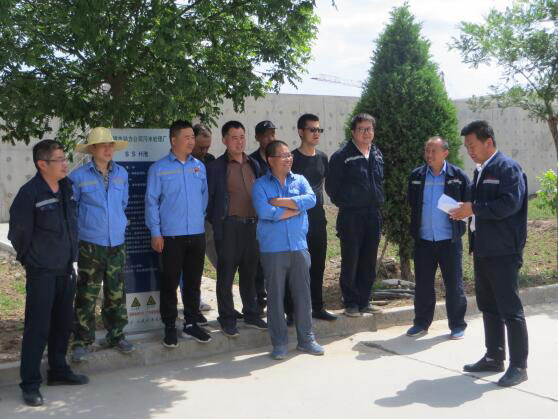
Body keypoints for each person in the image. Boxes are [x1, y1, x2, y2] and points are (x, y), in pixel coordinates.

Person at [8, 140, 89, 407]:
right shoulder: (29, 193)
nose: (66, 164)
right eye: (59, 159)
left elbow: (71, 225)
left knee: (62, 324)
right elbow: (18, 233)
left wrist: (72, 258)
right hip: (42, 271)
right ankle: (30, 384)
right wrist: (31, 260)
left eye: (65, 158)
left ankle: (58, 370)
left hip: (66, 268)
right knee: (37, 328)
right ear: (42, 164)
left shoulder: (67, 188)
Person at [450, 120, 529, 387]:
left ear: (489, 142)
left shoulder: (507, 168)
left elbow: (510, 204)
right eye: (467, 147)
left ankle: (519, 366)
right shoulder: (481, 170)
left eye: (472, 145)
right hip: (483, 249)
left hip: (504, 250)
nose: (469, 151)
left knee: (510, 309)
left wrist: (474, 208)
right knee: (489, 306)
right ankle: (494, 356)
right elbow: (481, 207)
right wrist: (465, 210)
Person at [252, 140, 324, 360]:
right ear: (270, 160)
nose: (288, 159)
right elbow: (265, 211)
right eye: (283, 156)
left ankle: (306, 339)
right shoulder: (260, 185)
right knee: (275, 297)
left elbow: (311, 199)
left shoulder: (300, 180)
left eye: (289, 155)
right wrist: (295, 209)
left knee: (303, 295)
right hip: (273, 249)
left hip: (299, 246)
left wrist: (281, 202)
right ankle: (280, 343)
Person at [69, 127, 134, 363]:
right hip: (91, 244)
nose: (108, 149)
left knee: (116, 292)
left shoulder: (121, 174)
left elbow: (123, 203)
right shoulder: (77, 177)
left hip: (117, 243)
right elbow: (73, 210)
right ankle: (81, 342)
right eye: (103, 145)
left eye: (111, 145)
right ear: (92, 149)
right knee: (87, 293)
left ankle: (116, 335)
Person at [145, 120, 211, 346]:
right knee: (169, 282)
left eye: (193, 137)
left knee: (193, 282)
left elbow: (204, 197)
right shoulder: (159, 168)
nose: (192, 142)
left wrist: (197, 219)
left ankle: (191, 323)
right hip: (170, 236)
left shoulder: (199, 167)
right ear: (173, 140)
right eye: (187, 137)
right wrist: (156, 232)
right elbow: (151, 202)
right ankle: (170, 327)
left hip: (196, 234)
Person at [206, 121, 267, 336]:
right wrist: (218, 224)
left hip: (252, 226)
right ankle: (227, 318)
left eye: (242, 137)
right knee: (226, 275)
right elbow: (209, 201)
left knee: (250, 273)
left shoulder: (254, 164)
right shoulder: (216, 167)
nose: (239, 142)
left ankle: (252, 313)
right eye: (234, 138)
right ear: (224, 140)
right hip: (229, 227)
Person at [406, 136, 470, 339]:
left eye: (434, 151)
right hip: (424, 240)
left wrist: (461, 213)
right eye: (427, 150)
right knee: (423, 285)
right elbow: (412, 203)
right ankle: (421, 323)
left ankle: (457, 325)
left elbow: (468, 203)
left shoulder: (457, 176)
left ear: (445, 153)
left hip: (449, 240)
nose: (429, 155)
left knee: (454, 284)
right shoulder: (417, 175)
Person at [325, 113, 384, 317]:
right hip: (351, 216)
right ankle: (351, 303)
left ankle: (364, 301)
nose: (366, 133)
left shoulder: (376, 153)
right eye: (362, 129)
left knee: (369, 260)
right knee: (351, 259)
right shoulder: (342, 155)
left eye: (369, 129)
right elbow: (332, 188)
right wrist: (351, 202)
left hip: (373, 215)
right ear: (353, 132)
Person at [289, 113, 336, 321]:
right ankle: (291, 311)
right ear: (301, 132)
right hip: (296, 221)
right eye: (312, 130)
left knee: (318, 265)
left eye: (319, 130)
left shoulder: (323, 158)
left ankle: (317, 307)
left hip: (318, 221)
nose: (316, 133)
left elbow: (326, 186)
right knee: (295, 267)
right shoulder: (291, 159)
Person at [250, 120, 277, 312]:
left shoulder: (280, 157)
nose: (270, 138)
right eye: (266, 135)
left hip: (278, 218)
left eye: (272, 134)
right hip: (258, 219)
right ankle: (259, 300)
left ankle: (278, 301)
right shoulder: (251, 161)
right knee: (257, 263)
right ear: (257, 137)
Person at [190, 123, 216, 311]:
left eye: (208, 147)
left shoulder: (211, 161)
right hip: (190, 221)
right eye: (201, 147)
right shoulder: (184, 162)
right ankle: (193, 300)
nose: (205, 151)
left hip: (210, 220)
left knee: (221, 261)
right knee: (192, 264)